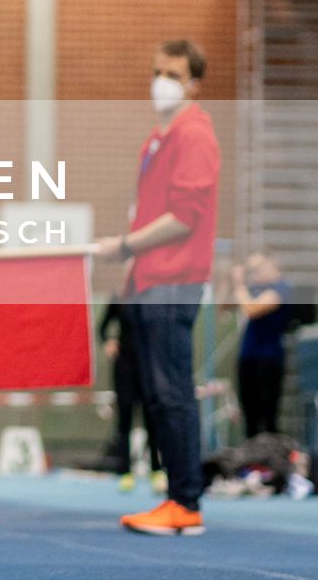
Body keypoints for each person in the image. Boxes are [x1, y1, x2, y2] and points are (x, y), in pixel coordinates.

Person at [95, 39, 221, 537]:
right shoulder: (158, 139)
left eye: (172, 74)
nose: (161, 81)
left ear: (193, 83)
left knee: (172, 393)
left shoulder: (194, 134)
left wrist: (125, 244)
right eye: (157, 72)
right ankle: (175, 496)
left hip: (174, 279)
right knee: (155, 394)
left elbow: (185, 217)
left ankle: (185, 502)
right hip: (145, 282)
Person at [97, 298, 163, 491]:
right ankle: (125, 472)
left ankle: (156, 470)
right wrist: (108, 341)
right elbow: (102, 328)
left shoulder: (152, 297)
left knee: (151, 420)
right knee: (124, 420)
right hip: (124, 367)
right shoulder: (118, 298)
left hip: (147, 366)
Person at [230, 251, 293, 438]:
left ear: (272, 264)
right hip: (248, 357)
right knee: (249, 416)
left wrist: (239, 284)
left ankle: (268, 461)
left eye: (258, 268)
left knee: (267, 417)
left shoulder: (281, 288)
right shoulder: (255, 288)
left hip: (268, 359)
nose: (255, 274)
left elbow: (252, 309)